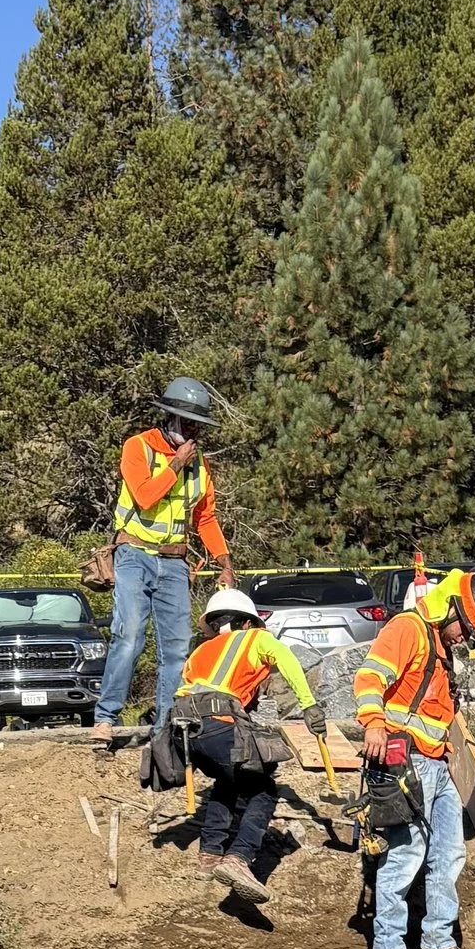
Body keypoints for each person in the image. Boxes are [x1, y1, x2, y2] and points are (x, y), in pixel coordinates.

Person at [351, 562, 475, 949]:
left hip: (435, 763)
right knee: (404, 856)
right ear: (450, 609)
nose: (464, 639)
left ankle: (438, 943)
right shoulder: (408, 629)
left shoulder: (440, 650)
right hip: (404, 762)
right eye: (465, 630)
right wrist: (373, 721)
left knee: (449, 853)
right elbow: (370, 676)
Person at [91, 379, 229, 742]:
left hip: (174, 563)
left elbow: (205, 517)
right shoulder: (138, 447)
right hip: (134, 555)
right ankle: (106, 718)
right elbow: (146, 496)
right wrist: (175, 464)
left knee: (176, 647)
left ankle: (165, 727)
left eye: (198, 424)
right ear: (169, 418)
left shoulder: (198, 464)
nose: (195, 430)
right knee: (130, 634)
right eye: (188, 422)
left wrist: (223, 560)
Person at [167, 585, 317, 899]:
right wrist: (309, 704)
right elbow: (286, 661)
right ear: (246, 622)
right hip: (219, 722)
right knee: (263, 790)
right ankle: (240, 857)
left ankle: (209, 854)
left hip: (182, 733)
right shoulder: (255, 638)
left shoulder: (200, 652)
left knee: (228, 778)